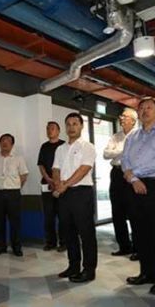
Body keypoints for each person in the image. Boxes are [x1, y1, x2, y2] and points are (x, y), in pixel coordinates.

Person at [121, 97, 155, 295]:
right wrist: (132, 177)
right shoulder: (132, 136)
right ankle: (146, 272)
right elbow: (124, 159)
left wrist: (134, 174)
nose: (145, 111)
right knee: (140, 232)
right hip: (134, 187)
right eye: (141, 108)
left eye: (149, 107)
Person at [52, 112, 97, 283]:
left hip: (81, 192)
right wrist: (58, 184)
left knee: (86, 233)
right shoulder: (60, 148)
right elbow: (55, 169)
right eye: (68, 124)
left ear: (81, 126)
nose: (71, 127)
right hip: (64, 194)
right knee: (68, 232)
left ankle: (89, 269)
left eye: (75, 124)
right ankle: (73, 266)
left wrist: (65, 184)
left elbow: (84, 169)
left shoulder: (88, 146)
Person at [103, 108, 137, 258]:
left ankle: (138, 247)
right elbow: (105, 154)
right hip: (116, 173)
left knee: (134, 212)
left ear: (133, 120)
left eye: (125, 116)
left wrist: (116, 151)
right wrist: (123, 151)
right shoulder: (116, 136)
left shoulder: (138, 135)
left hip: (132, 174)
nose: (121, 118)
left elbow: (136, 155)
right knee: (117, 212)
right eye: (121, 116)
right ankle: (124, 246)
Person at [0, 133, 28, 257]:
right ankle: (1, 247)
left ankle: (16, 247)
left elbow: (24, 175)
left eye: (8, 141)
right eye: (2, 141)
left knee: (15, 222)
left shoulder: (18, 158)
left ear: (12, 144)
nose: (5, 143)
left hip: (13, 193)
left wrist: (14, 185)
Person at [37, 121, 66, 252]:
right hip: (47, 184)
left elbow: (66, 167)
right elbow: (41, 165)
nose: (50, 131)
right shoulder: (44, 146)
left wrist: (57, 181)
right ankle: (51, 242)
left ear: (58, 131)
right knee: (48, 215)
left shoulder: (64, 146)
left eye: (52, 128)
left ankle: (64, 242)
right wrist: (48, 179)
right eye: (48, 129)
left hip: (61, 185)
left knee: (63, 215)